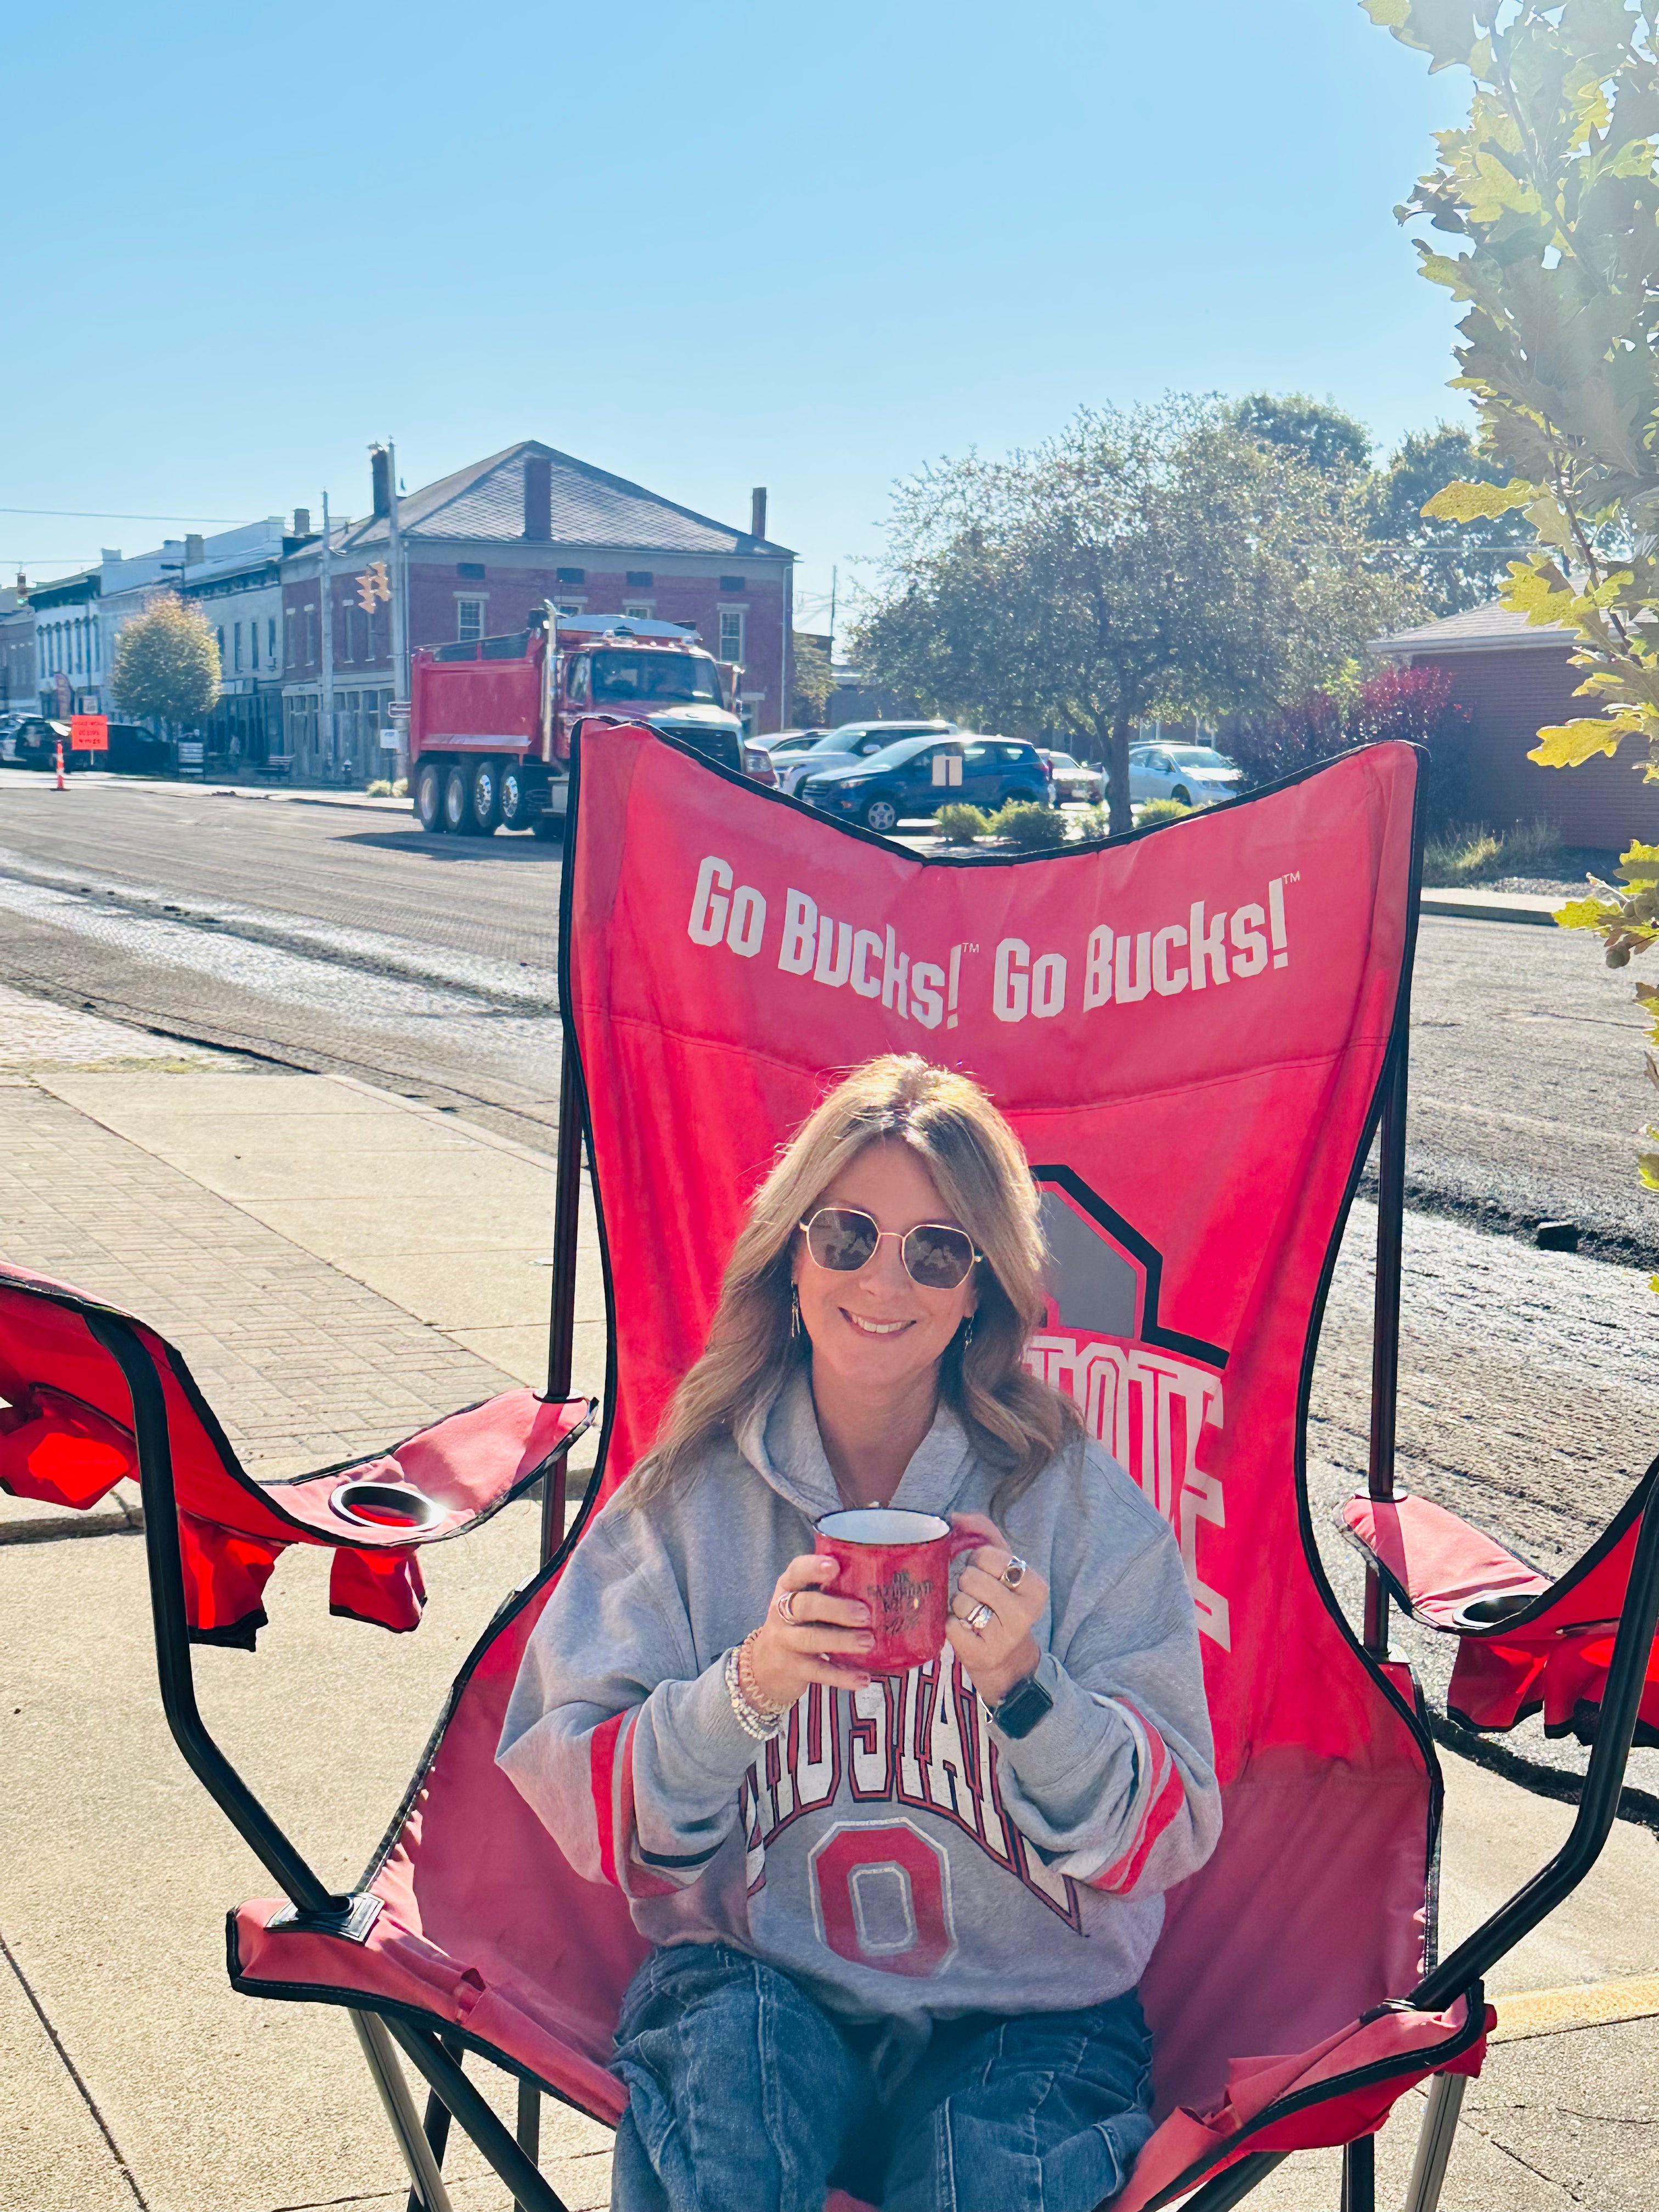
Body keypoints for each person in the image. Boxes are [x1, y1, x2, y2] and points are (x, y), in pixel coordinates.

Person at [498, 1054, 1220, 2212]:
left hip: (1032, 2011)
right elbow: (574, 1783)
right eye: (847, 1236)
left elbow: (1173, 1833)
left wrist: (1032, 1693)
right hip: (756, 1982)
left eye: (937, 1249)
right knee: (729, 2107)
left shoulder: (1075, 1503)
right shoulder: (688, 1494)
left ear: (979, 1287)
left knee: (985, 2180)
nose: (886, 1279)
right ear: (792, 1256)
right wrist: (746, 1689)